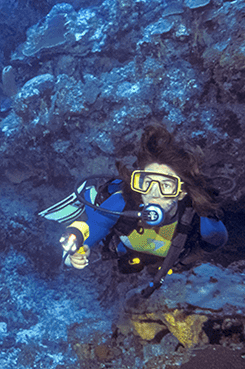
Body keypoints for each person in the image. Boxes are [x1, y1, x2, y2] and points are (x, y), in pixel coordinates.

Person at [55, 124, 227, 296]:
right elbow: (85, 235)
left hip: (168, 261)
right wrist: (73, 256)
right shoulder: (120, 204)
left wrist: (182, 264)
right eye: (147, 182)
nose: (153, 193)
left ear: (181, 193)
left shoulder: (202, 222)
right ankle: (88, 197)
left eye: (166, 185)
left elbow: (215, 243)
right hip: (125, 252)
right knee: (95, 215)